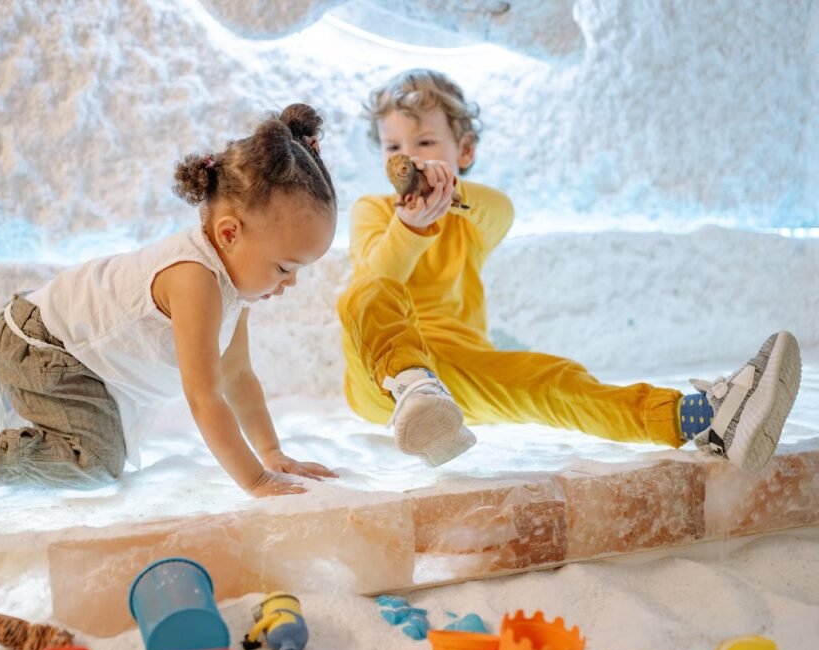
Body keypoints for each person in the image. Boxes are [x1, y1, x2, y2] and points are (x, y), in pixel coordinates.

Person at [0, 103, 339, 519]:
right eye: (284, 267)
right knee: (95, 464)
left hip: (62, 348)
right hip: (43, 348)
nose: (290, 282)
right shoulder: (196, 280)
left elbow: (237, 377)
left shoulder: (234, 285)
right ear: (231, 233)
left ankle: (4, 403)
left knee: (108, 443)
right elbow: (206, 398)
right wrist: (255, 482)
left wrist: (272, 452)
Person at [337, 69, 801, 470]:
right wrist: (407, 226)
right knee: (362, 291)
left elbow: (502, 213)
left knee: (554, 381)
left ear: (463, 151)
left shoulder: (470, 217)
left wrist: (451, 195)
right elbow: (381, 275)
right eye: (393, 145)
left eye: (425, 143)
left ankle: (704, 419)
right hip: (382, 380)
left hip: (458, 378)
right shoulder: (373, 210)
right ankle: (416, 388)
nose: (410, 156)